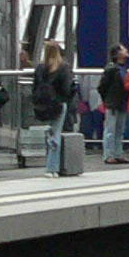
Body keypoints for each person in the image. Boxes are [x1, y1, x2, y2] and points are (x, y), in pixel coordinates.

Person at [34, 41, 79, 174]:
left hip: (42, 105)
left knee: (49, 132)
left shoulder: (40, 68)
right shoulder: (63, 68)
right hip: (58, 104)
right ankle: (52, 167)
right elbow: (66, 89)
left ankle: (50, 165)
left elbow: (34, 87)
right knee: (56, 133)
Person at [98, 46, 129, 164]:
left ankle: (117, 153)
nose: (126, 51)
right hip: (113, 102)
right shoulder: (111, 69)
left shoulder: (124, 68)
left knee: (119, 130)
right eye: (123, 49)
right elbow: (102, 86)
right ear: (117, 54)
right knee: (110, 129)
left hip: (121, 102)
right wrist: (107, 100)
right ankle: (108, 154)